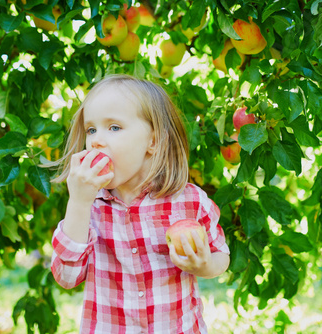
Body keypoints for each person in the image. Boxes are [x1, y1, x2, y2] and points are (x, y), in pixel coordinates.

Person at [50, 74, 230, 333]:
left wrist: (202, 265)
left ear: (153, 142)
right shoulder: (90, 206)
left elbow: (220, 255)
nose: (97, 140)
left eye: (113, 127)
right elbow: (67, 278)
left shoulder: (189, 200)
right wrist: (78, 201)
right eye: (91, 130)